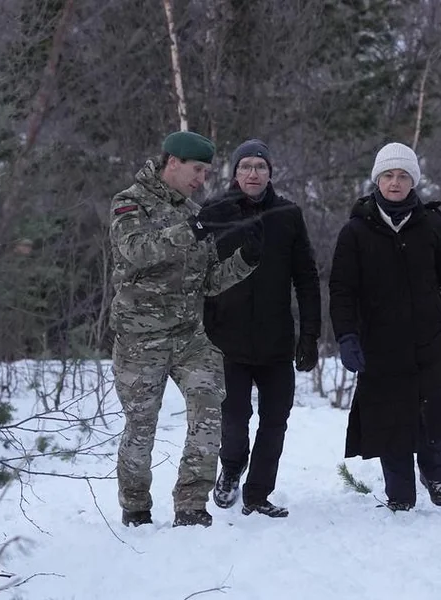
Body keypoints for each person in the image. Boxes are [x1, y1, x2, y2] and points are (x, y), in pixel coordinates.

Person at [109, 130, 263, 528]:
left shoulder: (194, 211)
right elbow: (137, 251)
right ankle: (136, 504)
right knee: (142, 425)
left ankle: (192, 504)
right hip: (140, 340)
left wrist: (247, 259)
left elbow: (209, 281)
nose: (202, 179)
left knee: (209, 412)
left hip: (188, 336)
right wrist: (193, 228)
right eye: (197, 170)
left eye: (207, 172)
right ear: (172, 162)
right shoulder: (130, 204)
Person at [329, 142, 441, 511]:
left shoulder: (431, 224)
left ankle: (435, 475)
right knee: (391, 417)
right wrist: (347, 336)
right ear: (377, 179)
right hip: (379, 344)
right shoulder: (356, 231)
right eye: (388, 175)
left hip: (429, 341)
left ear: (413, 181)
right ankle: (399, 493)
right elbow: (341, 290)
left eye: (403, 175)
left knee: (436, 410)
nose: (395, 182)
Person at [201, 139, 321, 519]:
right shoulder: (215, 211)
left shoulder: (288, 214)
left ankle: (257, 494)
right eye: (246, 166)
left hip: (275, 342)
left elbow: (306, 277)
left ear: (270, 173)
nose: (253, 173)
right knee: (234, 422)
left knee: (275, 421)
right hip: (226, 341)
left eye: (261, 167)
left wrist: (310, 335)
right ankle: (232, 467)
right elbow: (195, 273)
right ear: (235, 172)